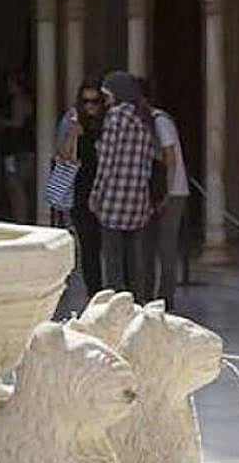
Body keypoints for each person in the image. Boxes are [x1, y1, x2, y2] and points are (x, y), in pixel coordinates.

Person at [88, 71, 154, 302]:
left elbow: (107, 160)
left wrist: (96, 193)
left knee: (113, 257)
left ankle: (115, 302)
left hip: (115, 197)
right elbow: (147, 161)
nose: (105, 101)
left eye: (107, 95)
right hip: (138, 197)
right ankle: (139, 299)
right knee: (136, 257)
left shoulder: (116, 118)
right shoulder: (144, 118)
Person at [141, 84, 190, 310]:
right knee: (150, 245)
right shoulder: (148, 122)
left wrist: (167, 194)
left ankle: (165, 296)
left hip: (172, 192)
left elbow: (169, 158)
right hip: (158, 192)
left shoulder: (160, 122)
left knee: (166, 246)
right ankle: (149, 293)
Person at [58, 80, 105, 297]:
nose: (90, 107)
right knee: (89, 244)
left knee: (111, 244)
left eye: (94, 101)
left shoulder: (109, 122)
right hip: (81, 189)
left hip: (107, 188)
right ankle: (94, 291)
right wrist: (74, 134)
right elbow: (64, 156)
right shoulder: (73, 119)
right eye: (85, 102)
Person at [0, 72, 35, 224]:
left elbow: (18, 123)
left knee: (16, 186)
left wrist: (1, 122)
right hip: (25, 147)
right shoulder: (27, 100)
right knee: (22, 186)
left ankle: (20, 219)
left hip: (16, 148)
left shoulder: (18, 100)